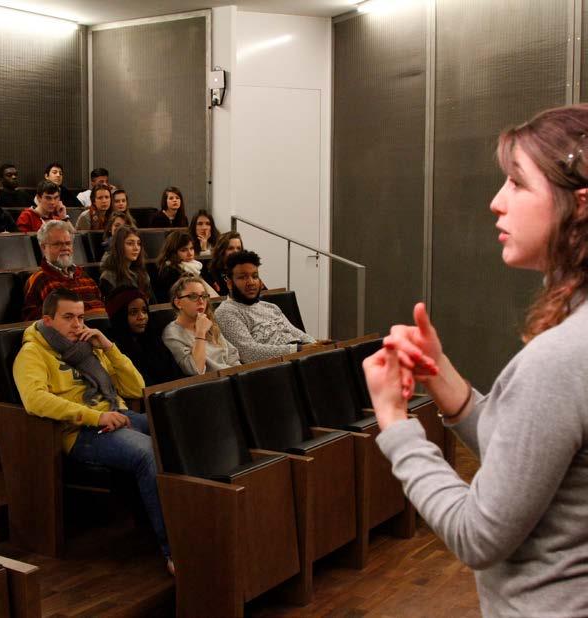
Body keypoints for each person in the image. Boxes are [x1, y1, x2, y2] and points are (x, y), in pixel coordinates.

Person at [363, 104, 588, 617]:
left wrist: (394, 423)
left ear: (579, 206)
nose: (496, 202)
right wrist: (444, 377)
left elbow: (477, 535)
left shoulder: (561, 358)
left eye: (516, 183)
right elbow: (529, 459)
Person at [14, 287, 173, 573]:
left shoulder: (89, 346)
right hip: (81, 432)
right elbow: (35, 400)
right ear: (48, 320)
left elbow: (137, 388)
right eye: (68, 318)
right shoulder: (32, 353)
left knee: (176, 435)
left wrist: (109, 348)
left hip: (117, 413)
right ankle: (174, 549)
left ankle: (197, 524)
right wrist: (95, 417)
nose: (77, 325)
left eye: (80, 317)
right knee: (148, 453)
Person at [215, 250, 326, 362]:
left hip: (299, 358)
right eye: (243, 277)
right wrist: (298, 349)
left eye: (255, 276)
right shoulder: (226, 311)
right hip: (274, 369)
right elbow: (248, 353)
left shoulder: (271, 307)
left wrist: (317, 345)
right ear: (229, 283)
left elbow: (297, 333)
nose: (251, 282)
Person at [22, 220, 103, 320]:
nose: (65, 248)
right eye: (58, 244)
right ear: (43, 247)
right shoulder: (38, 280)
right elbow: (32, 320)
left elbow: (101, 306)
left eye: (68, 243)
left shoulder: (84, 276)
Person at [162, 274, 239, 375]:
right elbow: (195, 370)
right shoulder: (172, 334)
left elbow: (232, 356)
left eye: (204, 296)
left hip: (233, 378)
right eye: (193, 296)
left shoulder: (208, 323)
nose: (201, 301)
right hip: (210, 386)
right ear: (178, 303)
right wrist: (200, 333)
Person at [105, 286, 183, 386]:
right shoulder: (114, 347)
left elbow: (175, 375)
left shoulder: (152, 338)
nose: (142, 317)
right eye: (133, 312)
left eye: (144, 310)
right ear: (120, 316)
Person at [155, 230, 217, 302]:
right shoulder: (170, 271)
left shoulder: (195, 266)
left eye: (191, 248)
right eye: (184, 250)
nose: (190, 253)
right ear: (173, 252)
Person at [99, 225, 154, 301]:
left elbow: (151, 304)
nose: (136, 248)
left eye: (138, 243)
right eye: (130, 243)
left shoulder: (143, 274)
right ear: (119, 246)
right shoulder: (108, 277)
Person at [206, 231, 244, 295]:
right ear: (222, 251)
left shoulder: (246, 269)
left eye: (238, 248)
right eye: (230, 248)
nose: (235, 251)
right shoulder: (211, 272)